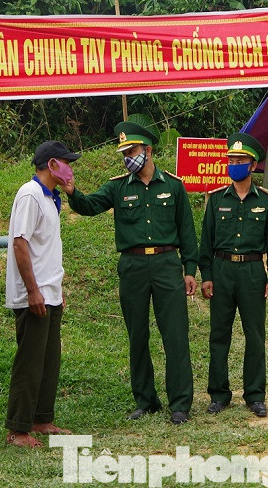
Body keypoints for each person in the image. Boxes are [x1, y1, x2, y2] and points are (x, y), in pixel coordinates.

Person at [65, 118, 198, 424]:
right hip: (133, 266)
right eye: (124, 152)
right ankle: (145, 400)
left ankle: (180, 403)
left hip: (167, 264)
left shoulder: (174, 187)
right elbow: (88, 206)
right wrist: (73, 192)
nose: (128, 157)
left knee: (175, 335)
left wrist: (190, 269)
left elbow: (188, 232)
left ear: (148, 150)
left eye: (133, 150)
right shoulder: (116, 187)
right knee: (137, 334)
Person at [199, 134, 268, 418]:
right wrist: (206, 275)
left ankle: (255, 395)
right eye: (231, 161)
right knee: (219, 335)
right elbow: (206, 242)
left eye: (240, 161)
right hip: (222, 272)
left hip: (252, 273)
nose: (234, 165)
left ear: (252, 164)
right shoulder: (216, 199)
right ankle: (219, 394)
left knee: (255, 335)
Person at [4, 140, 80, 447]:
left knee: (49, 359)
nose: (70, 167)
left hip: (50, 293)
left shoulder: (50, 198)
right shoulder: (30, 194)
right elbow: (20, 243)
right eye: (66, 161)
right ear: (51, 164)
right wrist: (33, 291)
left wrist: (54, 289)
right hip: (33, 295)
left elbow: (45, 248)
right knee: (30, 361)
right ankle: (17, 429)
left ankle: (41, 419)